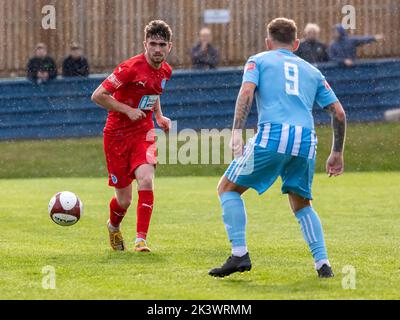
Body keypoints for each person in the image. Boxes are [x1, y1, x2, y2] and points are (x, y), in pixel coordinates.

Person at [209, 18, 346, 278]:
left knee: (227, 188)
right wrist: (337, 152)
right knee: (302, 203)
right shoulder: (312, 71)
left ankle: (239, 254)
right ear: (296, 44)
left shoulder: (258, 60)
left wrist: (237, 131)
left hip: (274, 135)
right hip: (306, 141)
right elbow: (339, 113)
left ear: (267, 42)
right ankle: (323, 264)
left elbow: (247, 91)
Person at [91, 20, 173, 252]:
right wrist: (127, 110)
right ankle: (113, 226)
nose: (158, 49)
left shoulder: (166, 70)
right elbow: (98, 95)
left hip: (143, 132)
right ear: (145, 44)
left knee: (146, 179)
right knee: (124, 200)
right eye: (153, 44)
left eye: (162, 44)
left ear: (170, 47)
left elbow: (153, 92)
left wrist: (159, 116)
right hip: (116, 135)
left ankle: (141, 240)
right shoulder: (129, 68)